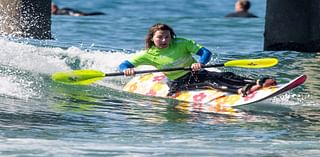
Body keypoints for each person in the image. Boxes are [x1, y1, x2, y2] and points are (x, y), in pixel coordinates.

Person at [118, 23, 276, 97]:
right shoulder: (148, 54)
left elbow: (205, 52)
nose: (164, 40)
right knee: (209, 83)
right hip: (178, 82)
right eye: (160, 37)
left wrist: (200, 62)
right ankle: (243, 90)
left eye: (167, 36)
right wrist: (126, 69)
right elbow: (124, 64)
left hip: (195, 72)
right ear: (152, 39)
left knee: (224, 75)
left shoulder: (181, 43)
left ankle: (257, 82)